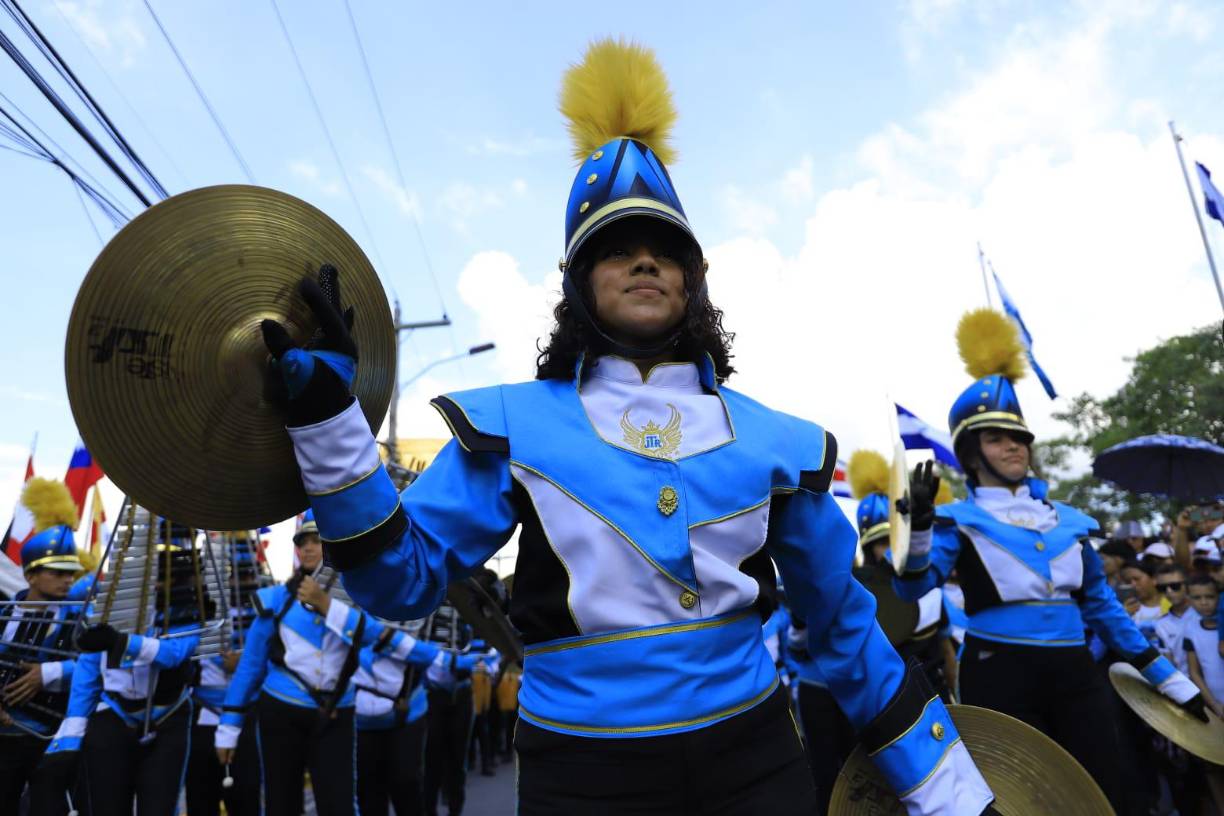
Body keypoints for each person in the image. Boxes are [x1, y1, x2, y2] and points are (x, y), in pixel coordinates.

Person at [258, 39, 997, 816]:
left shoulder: (779, 442)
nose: (644, 262)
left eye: (664, 250)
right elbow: (393, 583)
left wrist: (952, 796)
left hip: (756, 762)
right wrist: (328, 422)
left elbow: (846, 630)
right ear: (579, 284)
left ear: (692, 280)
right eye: (616, 249)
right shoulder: (509, 426)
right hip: (581, 775)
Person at [893, 308, 1206, 814]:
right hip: (998, 671)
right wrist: (922, 527)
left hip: (1074, 670)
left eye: (1019, 438)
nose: (1013, 447)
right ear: (972, 453)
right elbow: (912, 590)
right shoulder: (958, 519)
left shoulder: (1070, 521)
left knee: (1107, 788)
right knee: (1022, 799)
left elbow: (1104, 611)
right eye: (996, 438)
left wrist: (1169, 678)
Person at [215, 513, 380, 816]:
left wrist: (326, 604)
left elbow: (376, 638)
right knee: (281, 802)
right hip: (281, 709)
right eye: (302, 542)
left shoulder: (355, 597)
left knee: (340, 804)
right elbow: (251, 665)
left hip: (335, 711)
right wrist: (229, 724)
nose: (308, 548)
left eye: (316, 541)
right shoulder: (275, 599)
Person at [42, 520, 203, 816]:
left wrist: (121, 641)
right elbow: (88, 671)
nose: (155, 571)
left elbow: (174, 654)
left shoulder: (193, 606)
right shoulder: (107, 601)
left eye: (164, 563)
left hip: (168, 719)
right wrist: (71, 738)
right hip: (112, 716)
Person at [0, 479, 82, 815]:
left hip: (56, 740)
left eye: (70, 573)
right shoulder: (3, 615)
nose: (67, 580)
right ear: (32, 576)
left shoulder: (83, 620)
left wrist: (49, 673)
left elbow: (101, 668)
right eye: (58, 572)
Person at [185, 531, 264, 816]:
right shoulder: (192, 609)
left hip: (246, 715)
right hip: (201, 714)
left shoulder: (263, 610)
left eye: (240, 573)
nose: (233, 579)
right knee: (200, 797)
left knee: (246, 796)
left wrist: (247, 661)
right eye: (223, 570)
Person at [354, 619, 450, 816]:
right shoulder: (355, 608)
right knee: (368, 789)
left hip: (408, 713)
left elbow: (433, 656)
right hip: (362, 718)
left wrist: (389, 640)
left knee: (405, 782)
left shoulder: (424, 611)